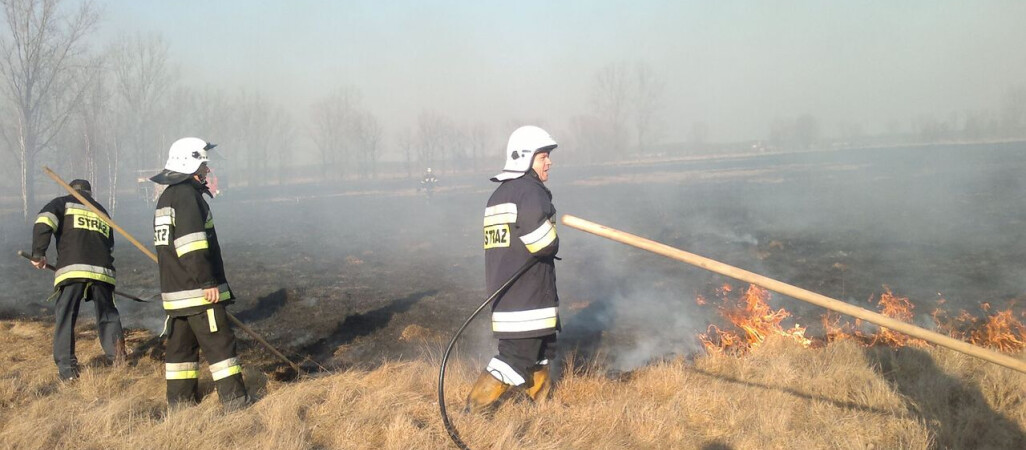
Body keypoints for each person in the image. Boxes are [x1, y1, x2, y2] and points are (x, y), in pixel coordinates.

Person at [466, 125, 560, 413]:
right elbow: (542, 244)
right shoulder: (530, 192)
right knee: (515, 358)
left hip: (507, 294)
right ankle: (475, 410)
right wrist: (554, 236)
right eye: (543, 156)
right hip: (527, 297)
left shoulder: (499, 195)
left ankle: (540, 408)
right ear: (525, 158)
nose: (549, 162)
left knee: (540, 353)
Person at [151, 137, 248, 409]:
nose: (207, 171)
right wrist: (209, 282)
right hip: (198, 292)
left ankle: (181, 406)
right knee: (220, 346)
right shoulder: (187, 198)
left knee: (180, 352)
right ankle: (236, 404)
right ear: (191, 164)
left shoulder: (167, 198)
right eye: (204, 165)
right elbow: (193, 246)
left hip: (176, 294)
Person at [31, 179, 126, 381]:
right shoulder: (101, 211)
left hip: (72, 270)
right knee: (108, 316)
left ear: (70, 190)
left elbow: (43, 221)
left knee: (66, 316)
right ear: (89, 193)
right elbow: (109, 245)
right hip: (103, 273)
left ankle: (67, 370)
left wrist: (39, 253)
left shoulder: (62, 202)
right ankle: (118, 360)